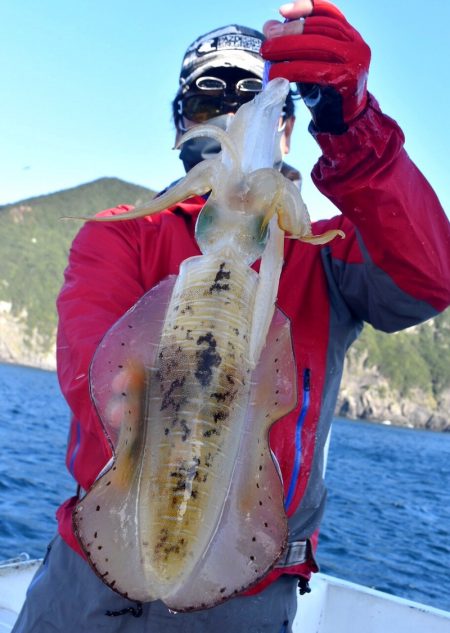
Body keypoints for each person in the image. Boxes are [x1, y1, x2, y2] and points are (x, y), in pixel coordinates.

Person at [13, 1, 450, 632]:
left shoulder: (325, 258)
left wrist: (352, 126)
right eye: (207, 98)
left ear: (287, 129)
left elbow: (428, 277)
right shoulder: (122, 236)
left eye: (252, 96)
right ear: (180, 123)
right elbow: (96, 378)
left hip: (244, 590)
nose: (230, 114)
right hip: (90, 579)